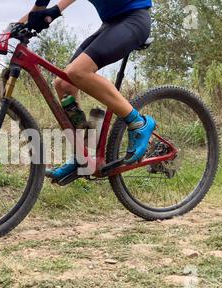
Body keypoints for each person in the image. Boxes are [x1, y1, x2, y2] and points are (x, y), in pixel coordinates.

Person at [19, 0, 157, 180]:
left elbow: (48, 11)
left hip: (134, 19)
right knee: (63, 84)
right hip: (111, 24)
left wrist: (55, 11)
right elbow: (37, 11)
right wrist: (10, 31)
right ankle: (81, 156)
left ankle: (139, 123)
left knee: (78, 71)